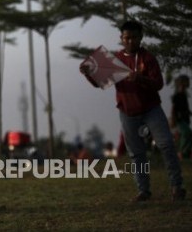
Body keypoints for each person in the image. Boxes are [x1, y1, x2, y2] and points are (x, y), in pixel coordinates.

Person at [80, 20, 186, 202]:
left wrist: (140, 79)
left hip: (151, 109)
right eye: (126, 38)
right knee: (136, 154)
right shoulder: (115, 61)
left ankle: (177, 186)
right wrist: (89, 73)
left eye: (134, 37)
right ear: (121, 38)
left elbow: (159, 84)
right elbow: (100, 83)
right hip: (128, 112)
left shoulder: (148, 58)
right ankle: (143, 191)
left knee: (167, 145)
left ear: (141, 38)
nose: (130, 41)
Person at [170, 75, 192, 160]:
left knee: (187, 135)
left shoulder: (184, 96)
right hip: (180, 120)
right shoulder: (177, 96)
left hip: (186, 119)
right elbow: (173, 108)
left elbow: (186, 109)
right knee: (186, 133)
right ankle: (180, 153)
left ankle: (185, 153)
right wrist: (173, 119)